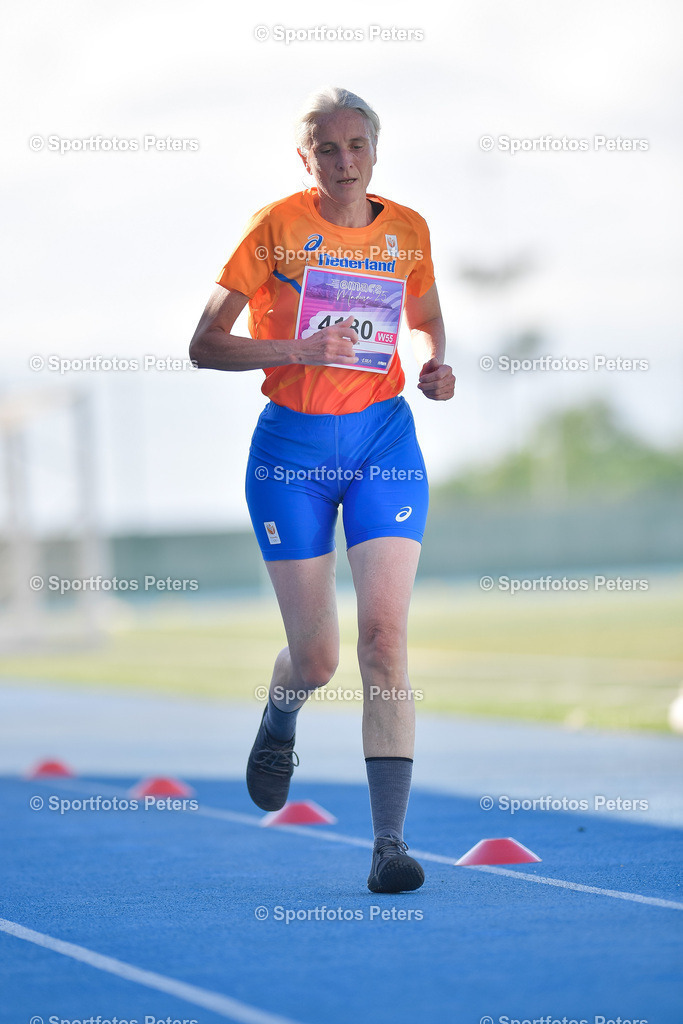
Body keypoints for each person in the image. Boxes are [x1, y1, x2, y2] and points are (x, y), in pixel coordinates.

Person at [189, 87, 455, 893]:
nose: (344, 162)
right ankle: (281, 716)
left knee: (383, 641)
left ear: (375, 149)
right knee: (317, 658)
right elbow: (204, 345)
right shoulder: (274, 228)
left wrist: (439, 365)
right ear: (305, 158)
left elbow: (429, 321)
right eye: (326, 149)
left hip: (383, 440)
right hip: (291, 454)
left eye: (356, 146)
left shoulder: (407, 229)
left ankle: (388, 845)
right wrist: (298, 347)